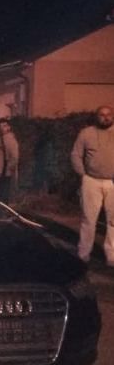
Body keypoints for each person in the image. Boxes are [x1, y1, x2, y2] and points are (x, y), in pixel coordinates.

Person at [70, 105, 114, 266]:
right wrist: (82, 174)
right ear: (97, 116)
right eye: (102, 114)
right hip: (91, 181)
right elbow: (76, 154)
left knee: (113, 221)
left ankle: (111, 255)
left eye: (109, 114)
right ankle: (83, 254)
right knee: (88, 219)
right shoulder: (86, 133)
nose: (106, 117)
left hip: (112, 182)